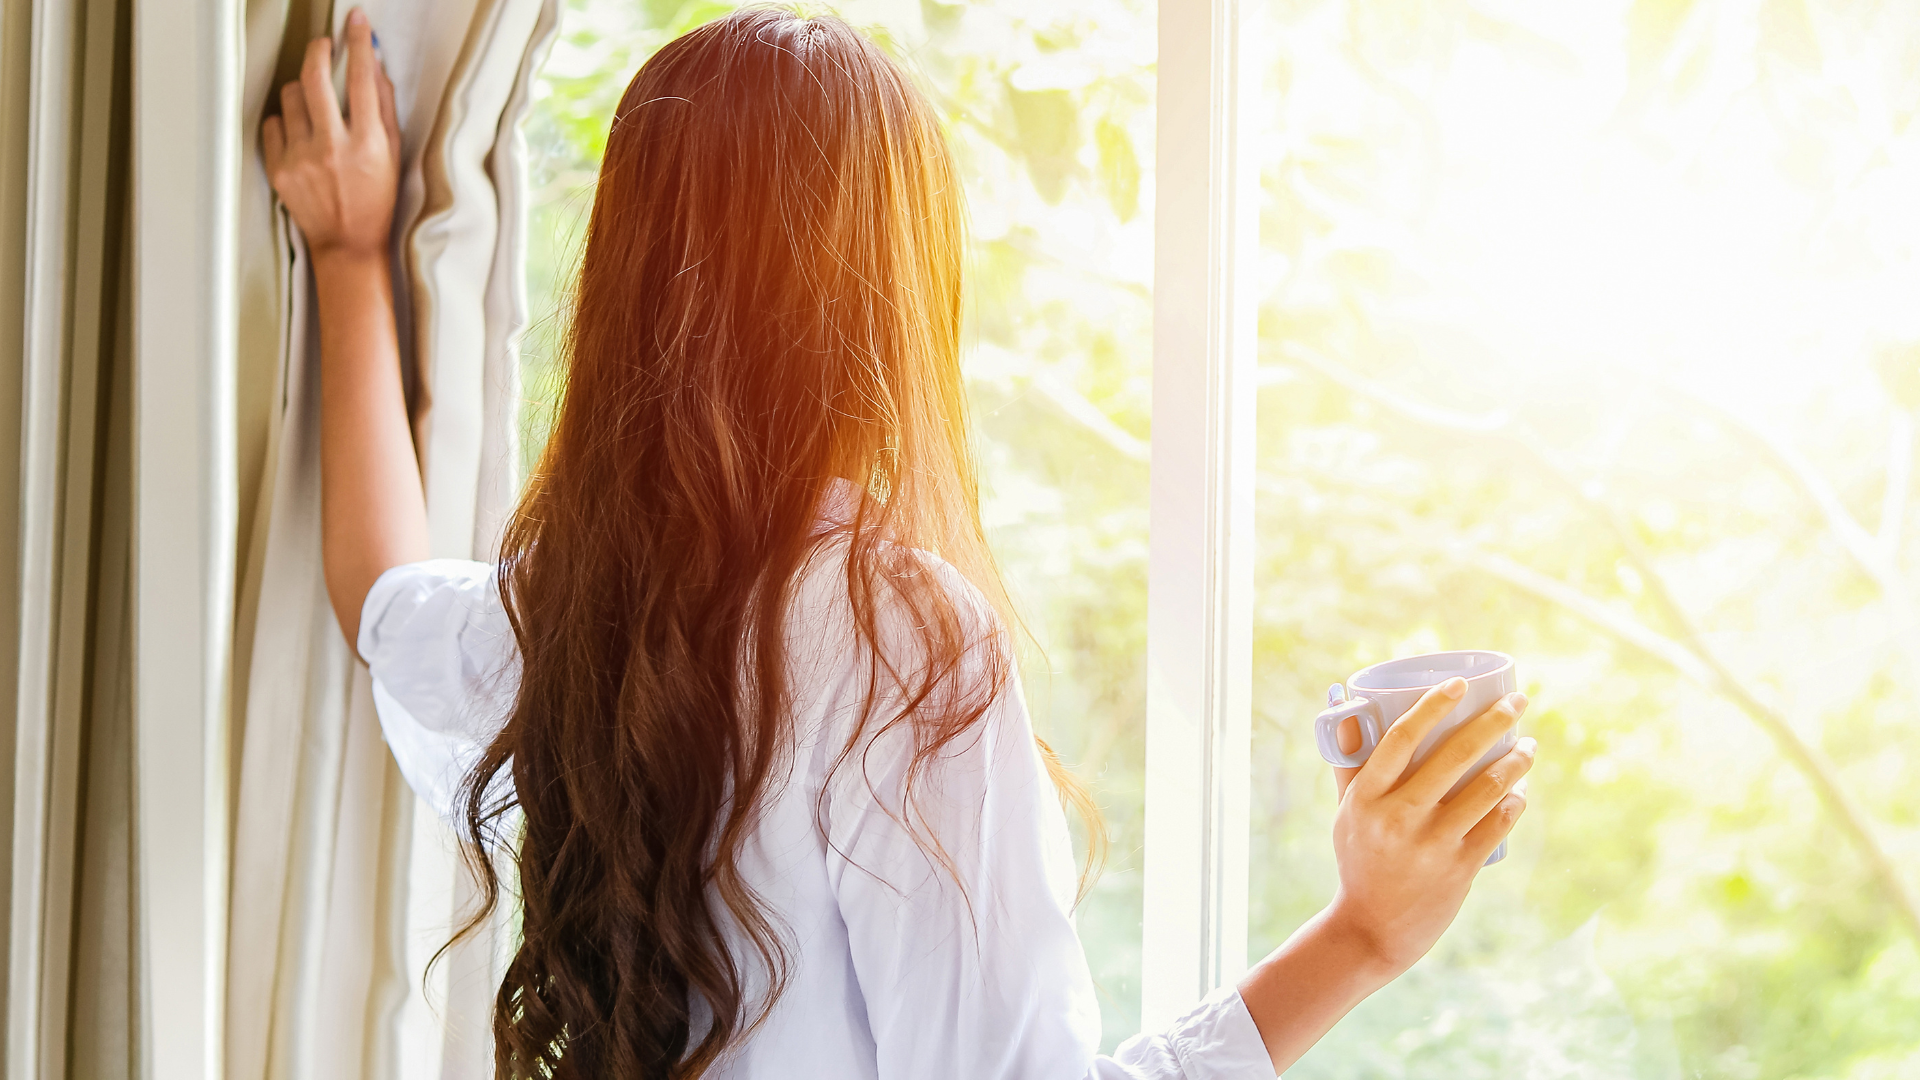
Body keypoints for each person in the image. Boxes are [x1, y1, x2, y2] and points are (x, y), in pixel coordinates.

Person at [262, 7, 1537, 1078]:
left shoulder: (563, 611)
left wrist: (346, 252)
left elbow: (376, 597)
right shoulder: (896, 637)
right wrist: (1365, 937)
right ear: (894, 291)